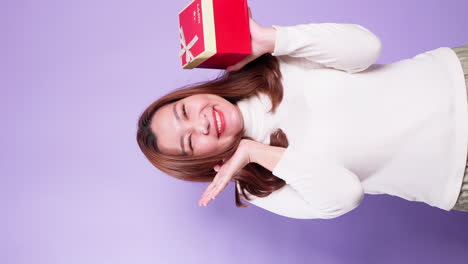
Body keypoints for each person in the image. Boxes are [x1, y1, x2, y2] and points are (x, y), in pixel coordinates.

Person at [136, 14, 468, 219]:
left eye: (185, 111)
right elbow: (344, 196)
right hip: (455, 174)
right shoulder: (259, 187)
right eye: (190, 141)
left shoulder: (265, 66)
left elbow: (367, 47)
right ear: (200, 162)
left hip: (456, 77)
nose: (201, 123)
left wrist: (274, 39)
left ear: (192, 95)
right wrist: (255, 152)